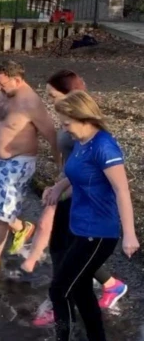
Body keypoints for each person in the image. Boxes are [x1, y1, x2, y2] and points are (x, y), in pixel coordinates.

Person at [6, 70, 129, 326]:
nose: (49, 100)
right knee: (66, 249)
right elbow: (71, 162)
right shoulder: (70, 121)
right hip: (67, 188)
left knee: (66, 249)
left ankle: (62, 303)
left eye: (53, 95)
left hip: (80, 197)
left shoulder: (84, 126)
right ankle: (104, 286)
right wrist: (57, 184)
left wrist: (62, 191)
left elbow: (94, 172)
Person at [49, 90, 139, 341]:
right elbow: (77, 171)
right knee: (80, 289)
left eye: (67, 123)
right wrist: (59, 187)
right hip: (81, 227)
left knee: (59, 290)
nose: (64, 129)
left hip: (99, 233)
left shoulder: (104, 146)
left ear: (83, 118)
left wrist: (129, 234)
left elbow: (122, 190)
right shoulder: (82, 142)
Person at [0, 60, 58, 274]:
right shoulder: (6, 93)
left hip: (17, 163)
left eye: (2, 84)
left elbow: (52, 136)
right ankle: (21, 227)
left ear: (17, 80)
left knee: (1, 214)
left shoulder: (31, 102)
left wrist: (62, 170)